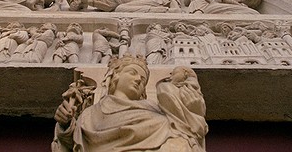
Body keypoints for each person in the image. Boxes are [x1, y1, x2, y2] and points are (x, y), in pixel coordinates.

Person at [52, 55, 207, 152]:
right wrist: (65, 124)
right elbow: (75, 143)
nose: (139, 79)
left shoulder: (158, 112)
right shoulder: (91, 113)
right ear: (115, 76)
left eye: (143, 79)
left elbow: (186, 136)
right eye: (132, 73)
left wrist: (193, 111)